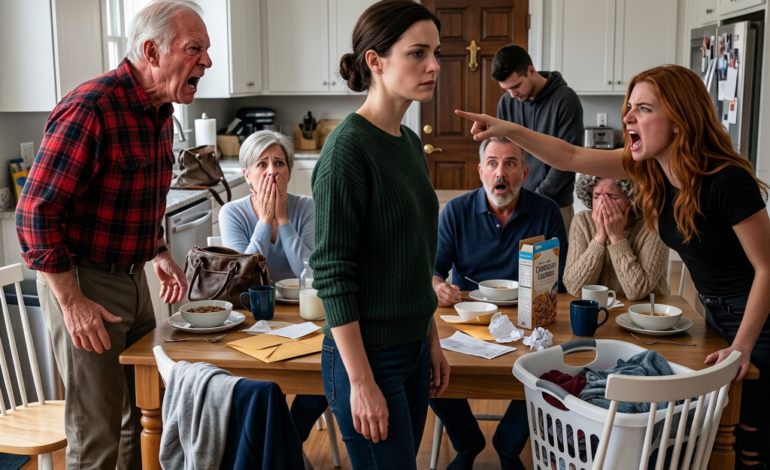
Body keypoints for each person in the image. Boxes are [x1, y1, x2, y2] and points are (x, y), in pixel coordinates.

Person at [456, 64, 770, 469]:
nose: (628, 118)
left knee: (751, 438)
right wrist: (508, 129)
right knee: (717, 426)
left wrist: (743, 345)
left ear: (679, 120)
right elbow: (570, 156)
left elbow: (766, 268)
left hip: (758, 318)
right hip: (714, 312)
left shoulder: (726, 180)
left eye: (643, 109)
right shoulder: (653, 168)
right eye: (629, 107)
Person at [14, 1, 210, 468]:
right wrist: (73, 302)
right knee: (97, 432)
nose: (206, 61)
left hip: (133, 279)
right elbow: (34, 214)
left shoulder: (161, 113)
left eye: (206, 50)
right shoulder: (92, 108)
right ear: (152, 52)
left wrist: (158, 251)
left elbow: (135, 198)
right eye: (194, 49)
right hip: (84, 283)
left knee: (144, 413)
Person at [309, 1, 450, 468]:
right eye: (417, 53)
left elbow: (413, 258)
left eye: (435, 53)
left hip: (413, 351)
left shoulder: (408, 143)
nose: (433, 65)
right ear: (376, 61)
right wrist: (361, 381)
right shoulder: (347, 149)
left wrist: (430, 340)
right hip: (366, 359)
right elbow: (332, 275)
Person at [430, 137, 567, 470]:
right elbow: (434, 271)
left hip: (531, 322)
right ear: (481, 171)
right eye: (492, 163)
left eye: (510, 164)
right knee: (421, 363)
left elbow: (559, 283)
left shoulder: (547, 211)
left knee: (559, 366)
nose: (500, 173)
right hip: (469, 322)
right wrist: (438, 287)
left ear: (525, 173)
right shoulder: (456, 211)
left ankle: (509, 444)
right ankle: (467, 443)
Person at [219, 129, 327, 470]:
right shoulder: (232, 213)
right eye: (262, 164)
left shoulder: (306, 207)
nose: (272, 172)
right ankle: (286, 451)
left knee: (328, 372)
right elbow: (243, 279)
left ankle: (287, 442)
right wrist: (265, 221)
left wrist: (284, 220)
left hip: (305, 314)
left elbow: (310, 273)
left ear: (290, 171)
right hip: (253, 317)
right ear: (246, 174)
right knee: (254, 381)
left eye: (279, 163)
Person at [492, 44, 584, 233]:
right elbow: (502, 153)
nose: (512, 95)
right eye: (506, 89)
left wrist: (535, 199)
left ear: (531, 71)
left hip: (555, 206)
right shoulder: (507, 103)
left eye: (516, 86)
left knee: (556, 254)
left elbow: (568, 161)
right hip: (515, 205)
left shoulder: (566, 100)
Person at [564, 174, 669, 301]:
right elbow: (574, 288)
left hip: (646, 310)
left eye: (612, 197)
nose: (603, 204)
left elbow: (637, 291)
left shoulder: (654, 225)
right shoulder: (582, 221)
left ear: (632, 198)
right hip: (599, 308)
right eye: (596, 197)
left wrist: (616, 236)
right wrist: (599, 238)